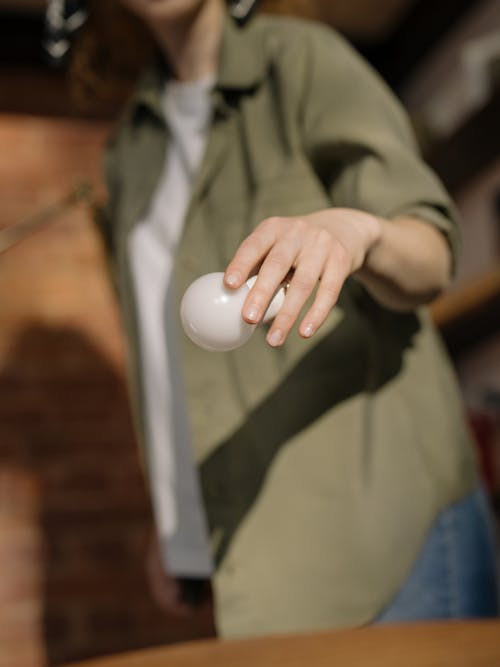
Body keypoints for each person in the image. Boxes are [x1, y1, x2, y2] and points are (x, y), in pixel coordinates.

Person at [73, 0, 499, 637]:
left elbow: (431, 255)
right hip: (257, 557)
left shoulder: (301, 61)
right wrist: (180, 521)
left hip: (386, 535)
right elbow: (165, 356)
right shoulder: (129, 151)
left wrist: (362, 232)